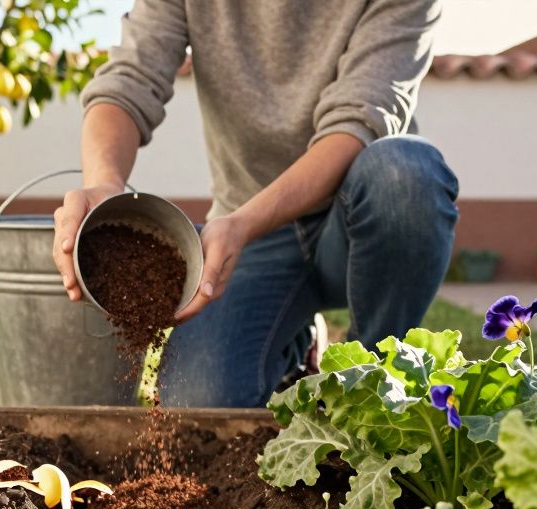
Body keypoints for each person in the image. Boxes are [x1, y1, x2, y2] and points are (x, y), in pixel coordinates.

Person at [52, 1, 458, 408]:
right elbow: (128, 81)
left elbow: (359, 120)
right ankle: (296, 344)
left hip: (357, 220)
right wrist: (104, 183)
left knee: (406, 176)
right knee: (199, 403)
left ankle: (370, 381)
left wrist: (242, 223)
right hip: (249, 235)